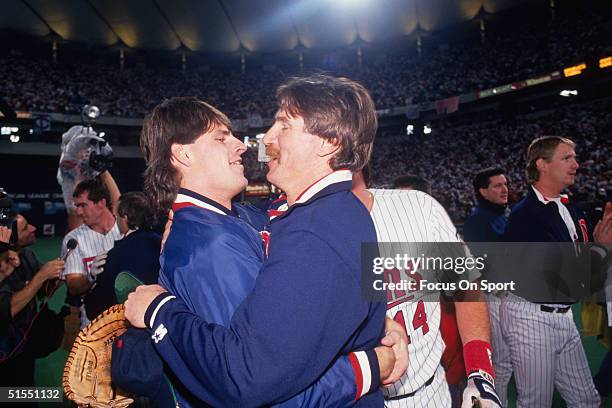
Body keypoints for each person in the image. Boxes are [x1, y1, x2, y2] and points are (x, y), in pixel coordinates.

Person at [122, 83, 403, 406]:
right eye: (221, 137)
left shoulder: (260, 222)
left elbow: (258, 374)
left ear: (329, 142)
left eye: (283, 125)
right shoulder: (210, 245)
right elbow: (251, 386)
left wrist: (384, 326)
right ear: (183, 153)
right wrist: (370, 365)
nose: (247, 144)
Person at [352, 170, 502, 408]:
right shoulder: (296, 234)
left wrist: (479, 371)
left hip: (433, 391)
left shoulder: (418, 207)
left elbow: (467, 287)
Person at [502, 136, 602, 407]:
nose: (576, 164)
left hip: (563, 314)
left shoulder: (571, 206)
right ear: (542, 165)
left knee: (587, 399)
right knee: (536, 402)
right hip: (532, 316)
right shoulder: (526, 216)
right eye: (567, 158)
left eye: (574, 157)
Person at [463, 167, 512, 407]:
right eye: (497, 186)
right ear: (483, 191)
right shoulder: (477, 221)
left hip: (510, 294)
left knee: (511, 360)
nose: (504, 189)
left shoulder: (502, 214)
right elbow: (482, 265)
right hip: (494, 296)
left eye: (505, 184)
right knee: (502, 362)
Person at [0, 218, 64, 391]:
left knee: (26, 394)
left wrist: (56, 278)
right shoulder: (3, 262)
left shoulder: (27, 255)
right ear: (12, 237)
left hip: (24, 346)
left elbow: (43, 291)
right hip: (6, 348)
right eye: (25, 228)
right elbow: (7, 310)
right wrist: (42, 276)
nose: (33, 228)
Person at [84, 192, 162, 320]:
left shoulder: (113, 255)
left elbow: (95, 309)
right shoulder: (163, 245)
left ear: (125, 218)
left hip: (130, 330)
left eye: (117, 217)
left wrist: (92, 280)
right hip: (162, 321)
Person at [62, 175, 122, 328]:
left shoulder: (126, 228)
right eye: (77, 206)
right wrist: (90, 277)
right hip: (93, 323)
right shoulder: (73, 239)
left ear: (101, 203)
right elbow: (73, 286)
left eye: (83, 205)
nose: (79, 212)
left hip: (129, 318)